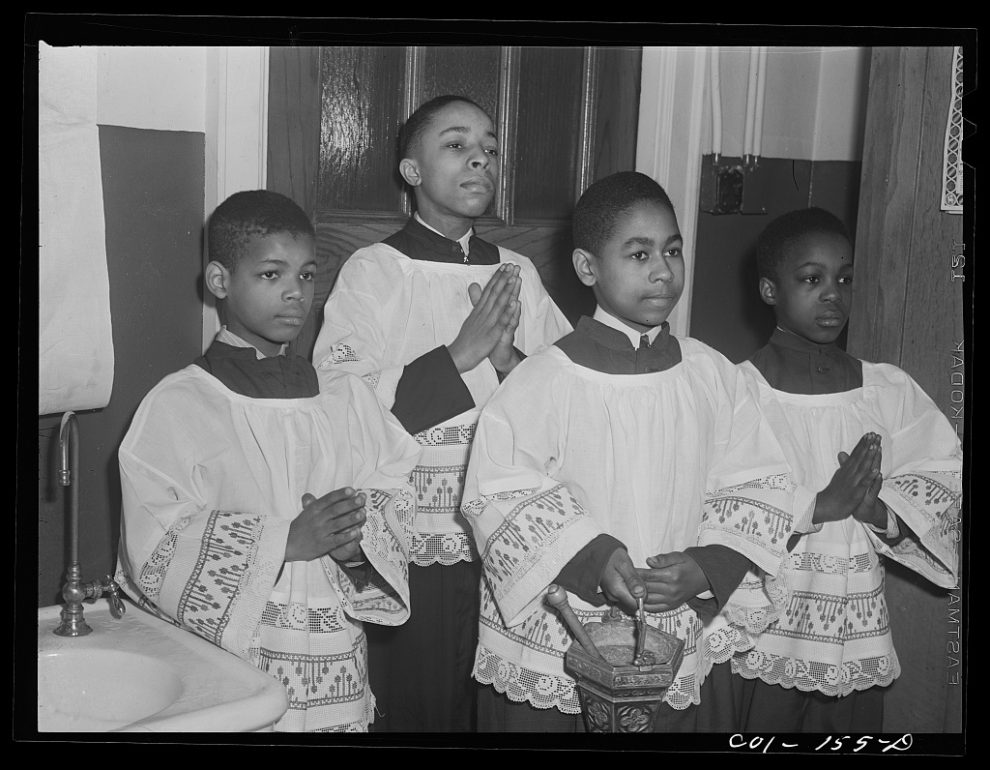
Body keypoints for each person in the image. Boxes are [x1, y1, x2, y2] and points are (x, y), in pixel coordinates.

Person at [460, 170, 808, 732]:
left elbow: (759, 481)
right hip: (568, 630)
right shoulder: (544, 378)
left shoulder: (711, 373)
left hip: (678, 621)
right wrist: (590, 558)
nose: (664, 270)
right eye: (639, 253)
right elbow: (501, 492)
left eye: (672, 250)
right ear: (587, 268)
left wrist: (707, 568)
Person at [115, 190, 421, 732]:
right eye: (270, 275)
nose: (294, 294)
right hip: (239, 656)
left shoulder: (344, 396)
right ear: (219, 281)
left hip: (335, 656)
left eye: (306, 276)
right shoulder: (182, 404)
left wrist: (358, 542)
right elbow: (157, 541)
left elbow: (395, 481)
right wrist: (286, 541)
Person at [311, 95, 572, 732]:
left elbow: (567, 395)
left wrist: (510, 364)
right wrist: (458, 356)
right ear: (411, 171)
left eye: (488, 145)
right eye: (456, 144)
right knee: (419, 704)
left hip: (506, 531)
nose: (480, 156)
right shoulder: (374, 272)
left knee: (496, 703)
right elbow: (341, 403)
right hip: (416, 533)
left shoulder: (518, 274)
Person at [729, 207, 961, 732]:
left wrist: (878, 509)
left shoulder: (885, 390)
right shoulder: (738, 392)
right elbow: (721, 506)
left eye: (845, 278)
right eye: (812, 279)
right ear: (770, 290)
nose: (833, 293)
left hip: (851, 624)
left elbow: (943, 476)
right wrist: (820, 507)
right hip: (767, 627)